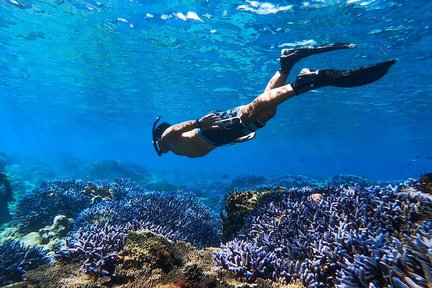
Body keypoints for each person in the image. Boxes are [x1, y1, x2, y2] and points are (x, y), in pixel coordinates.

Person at [152, 43, 396, 158]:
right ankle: (287, 65)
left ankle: (305, 82)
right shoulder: (177, 148)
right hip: (219, 135)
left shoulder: (167, 139)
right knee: (266, 112)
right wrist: (238, 139)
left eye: (156, 147)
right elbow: (210, 145)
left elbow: (174, 128)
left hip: (212, 127)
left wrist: (198, 122)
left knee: (253, 111)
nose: (159, 150)